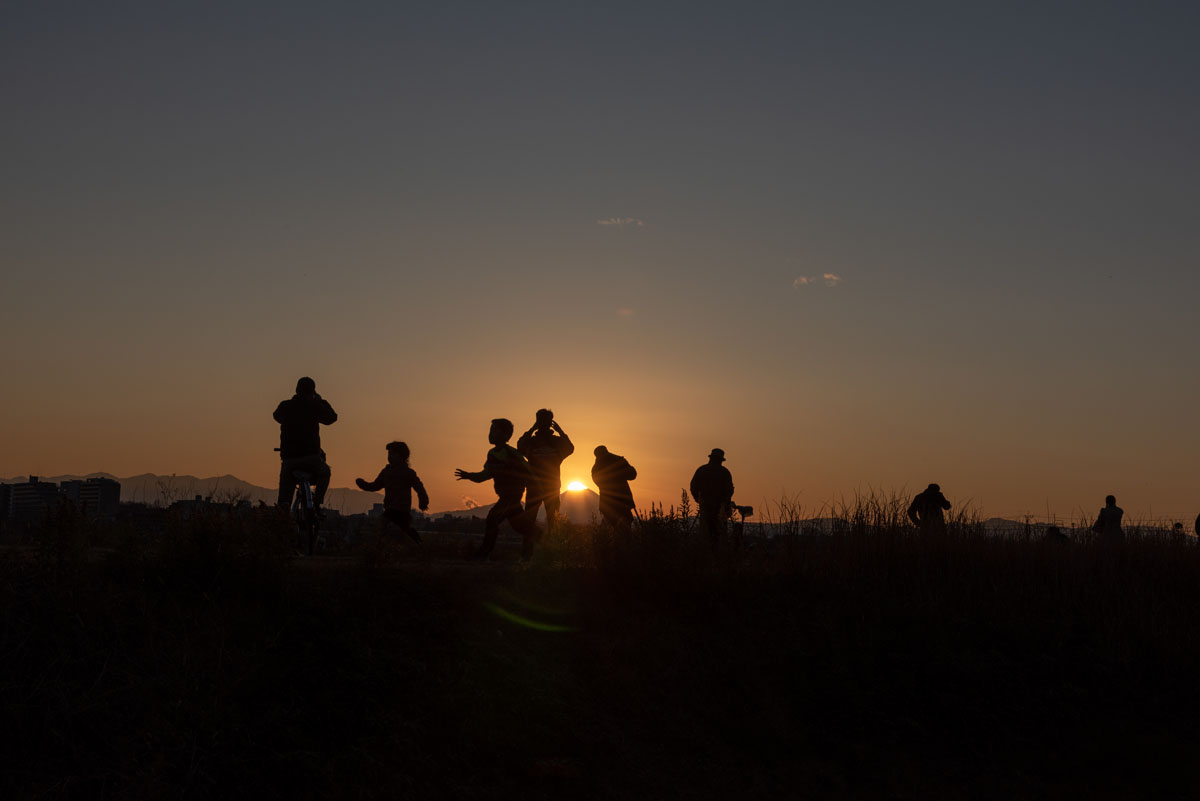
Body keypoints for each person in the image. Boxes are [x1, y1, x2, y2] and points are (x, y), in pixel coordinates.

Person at [455, 418, 541, 561]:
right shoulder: (492, 454)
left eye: (494, 430)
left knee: (492, 519)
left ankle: (483, 554)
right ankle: (553, 544)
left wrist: (536, 486)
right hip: (505, 497)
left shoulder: (512, 453)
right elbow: (485, 475)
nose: (490, 433)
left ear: (505, 435)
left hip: (511, 497)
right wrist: (469, 476)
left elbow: (528, 471)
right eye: (491, 430)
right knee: (522, 527)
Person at [273, 377, 337, 514]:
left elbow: (276, 416)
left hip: (289, 459)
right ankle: (317, 504)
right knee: (325, 472)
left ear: (296, 390)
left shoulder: (286, 406)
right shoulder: (314, 406)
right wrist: (319, 400)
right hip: (312, 458)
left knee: (284, 500)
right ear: (312, 391)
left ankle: (282, 518)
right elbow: (332, 417)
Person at [355, 441, 429, 545]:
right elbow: (376, 485)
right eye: (389, 454)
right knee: (395, 530)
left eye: (393, 454)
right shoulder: (386, 472)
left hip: (402, 509)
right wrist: (362, 484)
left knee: (392, 527)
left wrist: (423, 501)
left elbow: (419, 487)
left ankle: (416, 545)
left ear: (402, 456)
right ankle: (413, 545)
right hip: (390, 508)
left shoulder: (408, 473)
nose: (390, 456)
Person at [517, 409, 575, 533]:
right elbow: (520, 447)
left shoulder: (554, 442)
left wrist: (532, 429)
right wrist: (560, 432)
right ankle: (533, 548)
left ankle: (540, 548)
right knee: (540, 520)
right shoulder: (535, 442)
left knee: (549, 520)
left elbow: (570, 448)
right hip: (540, 487)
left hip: (545, 487)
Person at [690, 449, 735, 543]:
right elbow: (730, 490)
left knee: (705, 534)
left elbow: (693, 486)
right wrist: (726, 501)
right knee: (719, 535)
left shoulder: (702, 470)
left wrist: (699, 500)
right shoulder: (725, 472)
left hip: (706, 506)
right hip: (720, 508)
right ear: (720, 460)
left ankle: (706, 552)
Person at [591, 446, 637, 532]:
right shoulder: (619, 460)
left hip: (608, 502)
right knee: (623, 525)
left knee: (612, 527)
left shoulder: (596, 468)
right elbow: (632, 474)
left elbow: (632, 474)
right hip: (622, 499)